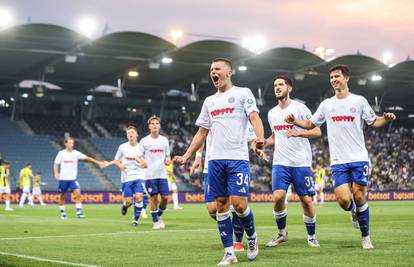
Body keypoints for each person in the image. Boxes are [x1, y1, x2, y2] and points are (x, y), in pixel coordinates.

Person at [285, 64, 396, 249]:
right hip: (338, 161)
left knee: (359, 196)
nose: (334, 80)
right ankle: (353, 211)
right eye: (331, 78)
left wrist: (386, 118)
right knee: (344, 200)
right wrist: (295, 121)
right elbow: (311, 123)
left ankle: (365, 236)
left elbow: (374, 121)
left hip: (359, 157)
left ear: (346, 78)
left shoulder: (359, 101)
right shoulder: (327, 104)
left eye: (337, 76)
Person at [174, 58, 265, 265]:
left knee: (240, 205)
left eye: (217, 69)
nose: (212, 73)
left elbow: (255, 118)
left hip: (237, 159)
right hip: (215, 160)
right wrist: (187, 155)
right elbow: (202, 132)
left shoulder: (243, 93)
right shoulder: (209, 101)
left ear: (228, 72)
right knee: (221, 206)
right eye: (211, 70)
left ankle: (252, 238)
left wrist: (260, 138)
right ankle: (229, 253)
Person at [264, 75, 321, 248]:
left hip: (301, 163)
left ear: (289, 88)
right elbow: (275, 136)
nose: (277, 87)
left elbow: (317, 131)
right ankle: (282, 233)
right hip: (280, 162)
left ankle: (311, 236)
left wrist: (298, 132)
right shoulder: (272, 113)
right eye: (275, 85)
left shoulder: (300, 108)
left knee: (306, 200)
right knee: (278, 197)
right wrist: (264, 143)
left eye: (281, 84)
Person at [190, 122, 257, 252]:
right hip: (211, 166)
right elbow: (201, 135)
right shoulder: (212, 112)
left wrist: (257, 147)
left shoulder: (239, 113)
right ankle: (230, 227)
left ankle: (237, 241)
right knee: (212, 208)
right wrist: (197, 157)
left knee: (237, 206)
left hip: (233, 163)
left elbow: (252, 137)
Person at [54, 137, 107, 219]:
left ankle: (79, 212)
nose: (72, 144)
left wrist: (98, 162)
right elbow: (56, 164)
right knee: (62, 196)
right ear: (65, 143)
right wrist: (56, 173)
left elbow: (87, 158)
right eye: (70, 143)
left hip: (73, 179)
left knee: (78, 194)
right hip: (63, 179)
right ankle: (63, 213)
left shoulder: (76, 153)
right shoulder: (61, 153)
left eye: (72, 143)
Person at [139, 116, 171, 230]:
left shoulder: (164, 140)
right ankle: (155, 222)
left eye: (157, 123)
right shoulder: (144, 141)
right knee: (153, 198)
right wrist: (142, 162)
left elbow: (168, 155)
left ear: (159, 125)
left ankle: (158, 215)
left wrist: (168, 159)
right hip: (150, 175)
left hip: (162, 174)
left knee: (165, 197)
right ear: (149, 126)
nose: (155, 125)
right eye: (152, 123)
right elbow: (138, 156)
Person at [113, 126, 148, 226]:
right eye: (128, 133)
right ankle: (125, 206)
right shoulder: (122, 147)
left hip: (139, 175)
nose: (130, 134)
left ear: (136, 134)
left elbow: (146, 161)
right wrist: (120, 165)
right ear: (127, 135)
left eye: (132, 132)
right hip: (127, 177)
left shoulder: (142, 147)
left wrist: (144, 163)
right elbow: (116, 160)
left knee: (139, 197)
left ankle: (135, 220)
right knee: (128, 202)